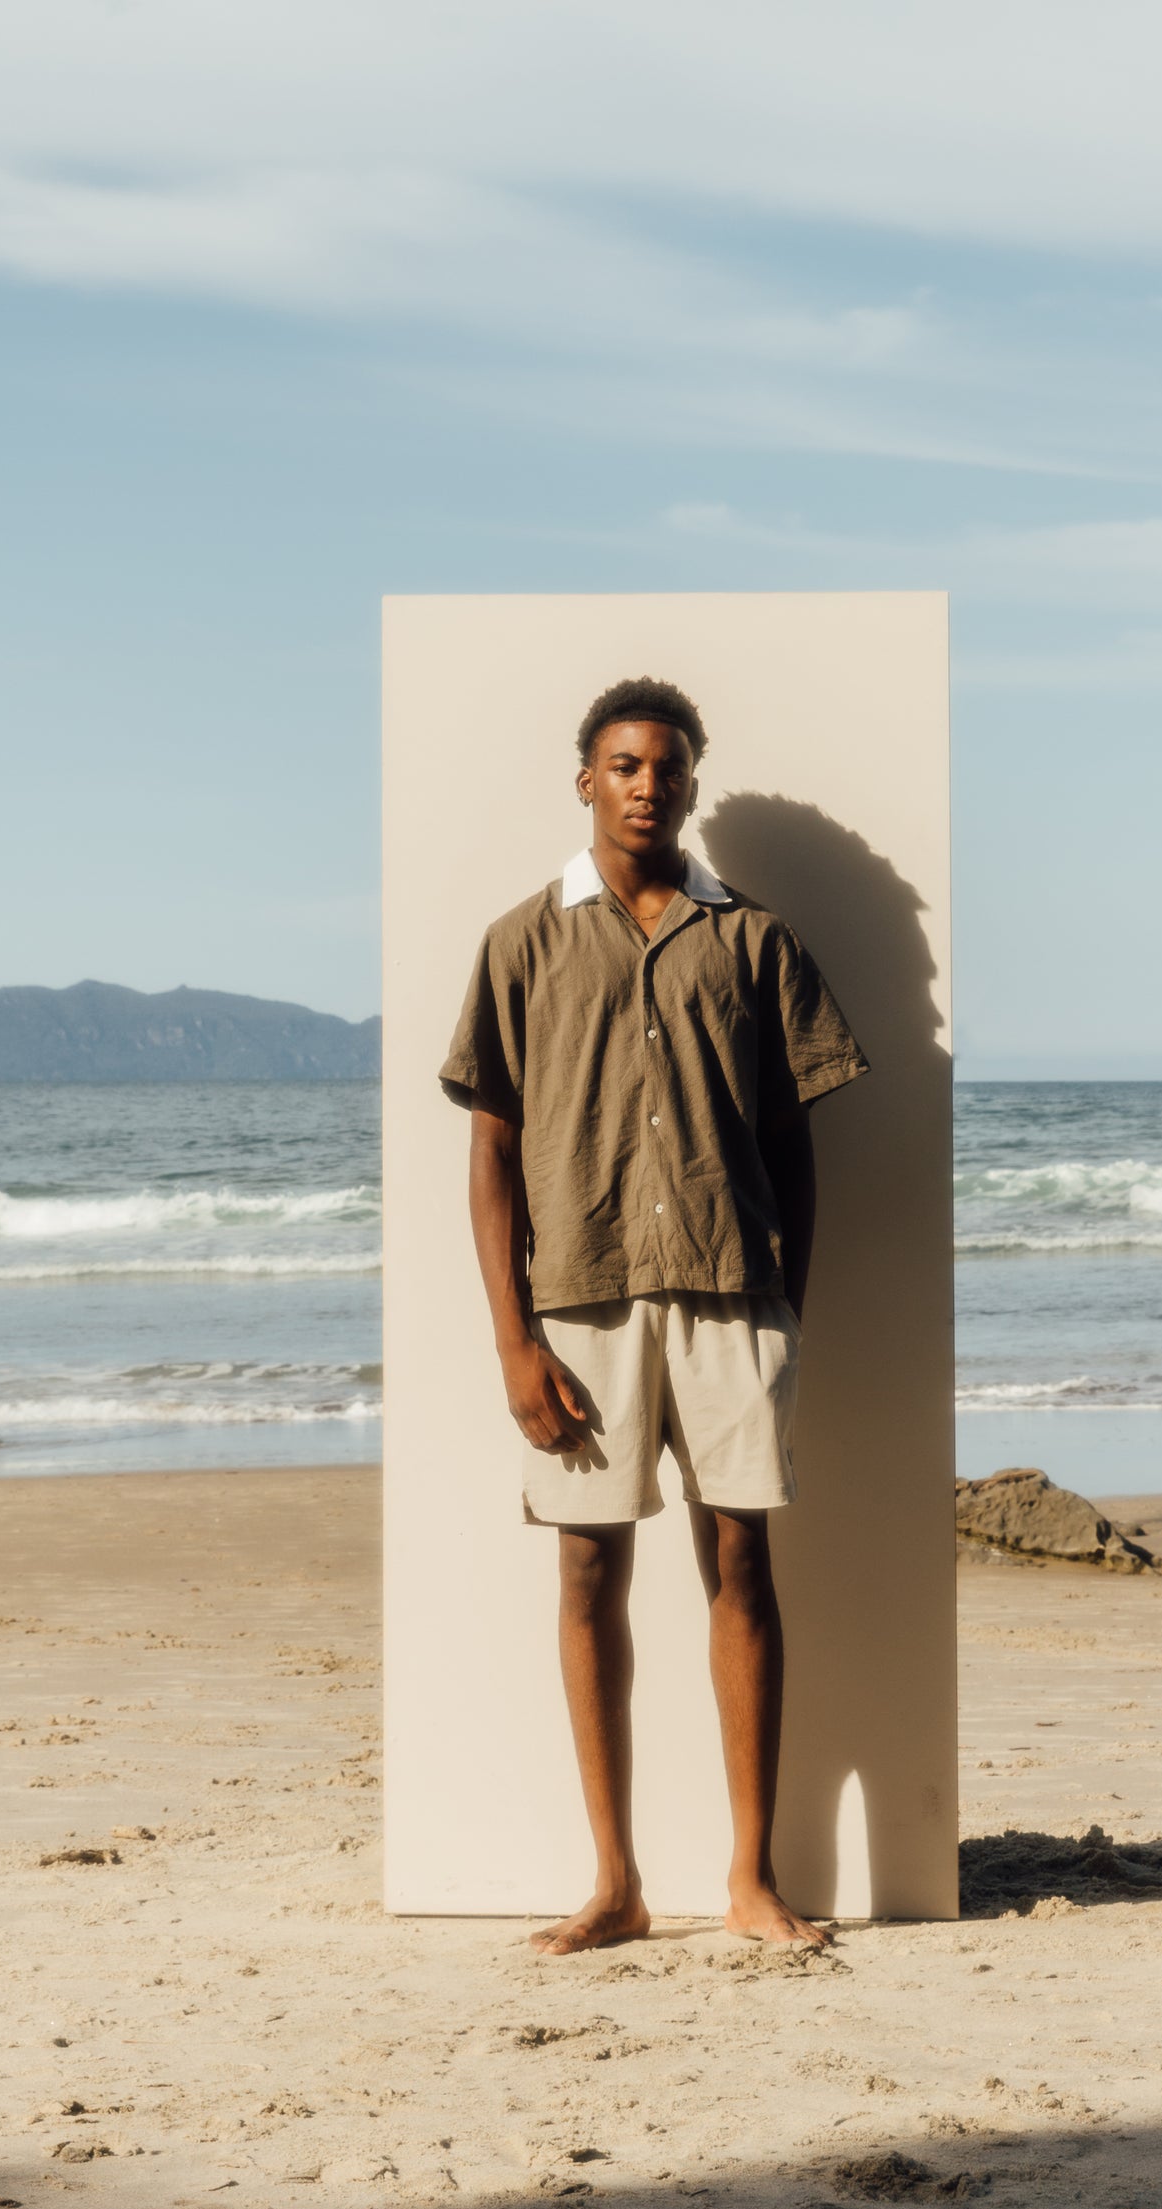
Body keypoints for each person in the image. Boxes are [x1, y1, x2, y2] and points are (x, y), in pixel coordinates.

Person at [439, 677, 868, 1955]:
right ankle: (615, 1884)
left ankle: (750, 1879)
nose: (645, 783)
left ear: (691, 785)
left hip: (734, 1296)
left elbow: (798, 1145)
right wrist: (513, 1338)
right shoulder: (521, 942)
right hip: (579, 1301)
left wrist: (788, 1296)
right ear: (586, 780)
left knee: (743, 1564)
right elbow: (492, 1158)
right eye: (622, 764)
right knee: (587, 1570)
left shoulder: (756, 943)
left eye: (667, 767)